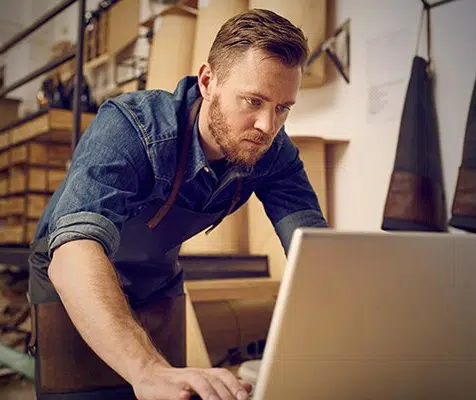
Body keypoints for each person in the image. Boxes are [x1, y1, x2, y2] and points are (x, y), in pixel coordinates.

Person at [27, 8, 328, 400]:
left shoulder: (272, 151)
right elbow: (73, 252)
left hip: (155, 281)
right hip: (74, 278)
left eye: (282, 108)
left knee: (175, 392)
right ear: (208, 81)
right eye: (253, 101)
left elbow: (314, 252)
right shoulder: (130, 127)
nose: (267, 126)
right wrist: (147, 369)